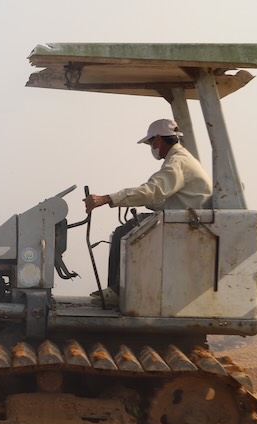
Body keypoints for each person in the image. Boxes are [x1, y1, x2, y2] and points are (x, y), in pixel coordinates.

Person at [82, 118, 212, 305]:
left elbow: (152, 191)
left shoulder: (177, 161)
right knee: (130, 227)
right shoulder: (181, 158)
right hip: (184, 219)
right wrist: (143, 202)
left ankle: (117, 291)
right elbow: (167, 197)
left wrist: (108, 198)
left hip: (186, 224)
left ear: (158, 140)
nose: (152, 147)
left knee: (122, 233)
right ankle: (121, 288)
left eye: (151, 143)